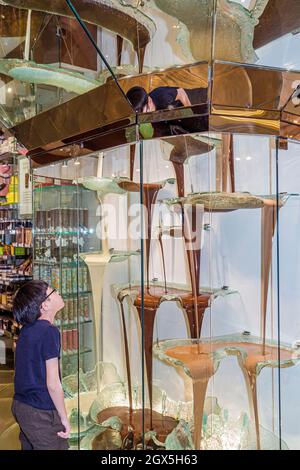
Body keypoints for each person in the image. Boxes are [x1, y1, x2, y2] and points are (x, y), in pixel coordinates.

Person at [11, 280, 70, 450]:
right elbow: (53, 383)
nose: (59, 293)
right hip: (40, 411)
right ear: (45, 305)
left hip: (21, 406)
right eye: (54, 292)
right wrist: (64, 417)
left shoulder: (27, 330)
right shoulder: (49, 331)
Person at [126, 85, 208, 136]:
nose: (144, 116)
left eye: (145, 112)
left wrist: (191, 111)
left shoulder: (162, 96)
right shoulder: (147, 111)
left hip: (197, 99)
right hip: (178, 111)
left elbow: (181, 92)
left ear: (149, 101)